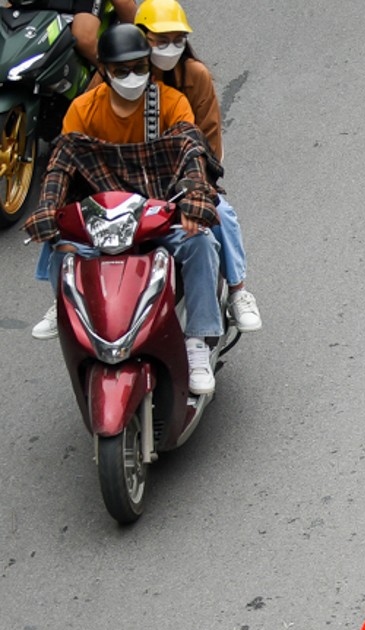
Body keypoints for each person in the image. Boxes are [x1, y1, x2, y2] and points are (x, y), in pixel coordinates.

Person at [24, 21, 222, 391]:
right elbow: (60, 165)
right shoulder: (83, 109)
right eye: (122, 70)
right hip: (106, 219)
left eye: (140, 67)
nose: (133, 76)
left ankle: (199, 342)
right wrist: (47, 210)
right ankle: (68, 314)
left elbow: (192, 151)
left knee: (202, 245)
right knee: (62, 251)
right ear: (104, 71)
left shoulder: (170, 103)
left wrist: (194, 200)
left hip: (158, 214)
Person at [133, 0, 261, 331]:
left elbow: (210, 139)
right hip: (131, 179)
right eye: (160, 40)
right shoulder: (122, 71)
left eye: (176, 39)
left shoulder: (195, 76)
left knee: (221, 215)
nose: (169, 48)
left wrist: (198, 186)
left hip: (186, 175)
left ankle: (237, 290)